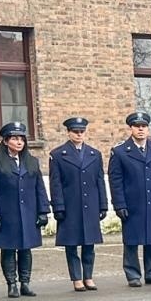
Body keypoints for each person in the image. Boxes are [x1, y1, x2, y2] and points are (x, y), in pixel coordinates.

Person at [0, 122, 50, 298]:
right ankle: (11, 283)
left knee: (26, 248)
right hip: (7, 212)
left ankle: (25, 283)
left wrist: (43, 211)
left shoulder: (31, 161)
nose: (19, 142)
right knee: (9, 248)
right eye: (14, 138)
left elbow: (39, 188)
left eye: (22, 139)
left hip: (28, 211)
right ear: (5, 141)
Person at [108, 111, 151, 288]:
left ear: (148, 128)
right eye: (137, 127)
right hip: (132, 203)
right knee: (131, 240)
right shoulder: (120, 152)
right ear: (131, 128)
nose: (141, 130)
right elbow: (116, 181)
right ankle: (133, 274)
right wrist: (119, 204)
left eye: (143, 126)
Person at [49, 116, 107, 291]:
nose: (79, 135)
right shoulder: (58, 155)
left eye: (82, 131)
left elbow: (100, 181)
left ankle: (88, 276)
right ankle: (76, 278)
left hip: (90, 204)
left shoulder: (94, 154)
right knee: (72, 244)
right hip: (70, 205)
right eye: (75, 132)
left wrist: (103, 205)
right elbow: (55, 183)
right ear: (68, 133)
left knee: (89, 243)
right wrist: (58, 206)